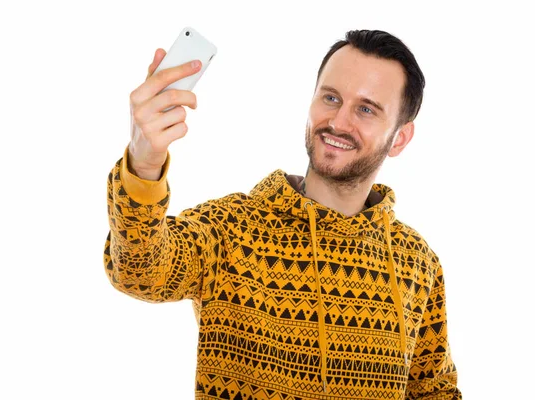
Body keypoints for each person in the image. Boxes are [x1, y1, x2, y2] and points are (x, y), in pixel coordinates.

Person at [104, 29, 461, 399]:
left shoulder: (418, 262)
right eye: (331, 97)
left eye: (366, 109)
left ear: (399, 138)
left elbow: (435, 392)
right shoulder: (231, 228)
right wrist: (144, 163)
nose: (338, 122)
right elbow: (138, 270)